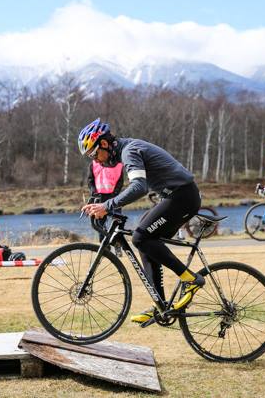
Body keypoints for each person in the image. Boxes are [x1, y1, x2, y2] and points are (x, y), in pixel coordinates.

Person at [78, 118, 204, 324]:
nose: (96, 160)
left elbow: (139, 187)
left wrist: (107, 206)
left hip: (183, 197)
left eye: (93, 154)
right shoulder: (125, 150)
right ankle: (161, 305)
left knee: (140, 238)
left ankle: (191, 279)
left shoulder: (129, 151)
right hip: (176, 196)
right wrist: (100, 203)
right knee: (145, 244)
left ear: (103, 143)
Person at [86, 158, 124, 240]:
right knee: (100, 224)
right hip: (99, 198)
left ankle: (118, 243)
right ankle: (105, 247)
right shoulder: (93, 164)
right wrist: (94, 192)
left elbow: (120, 182)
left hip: (114, 198)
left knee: (117, 222)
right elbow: (90, 181)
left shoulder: (119, 165)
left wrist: (115, 193)